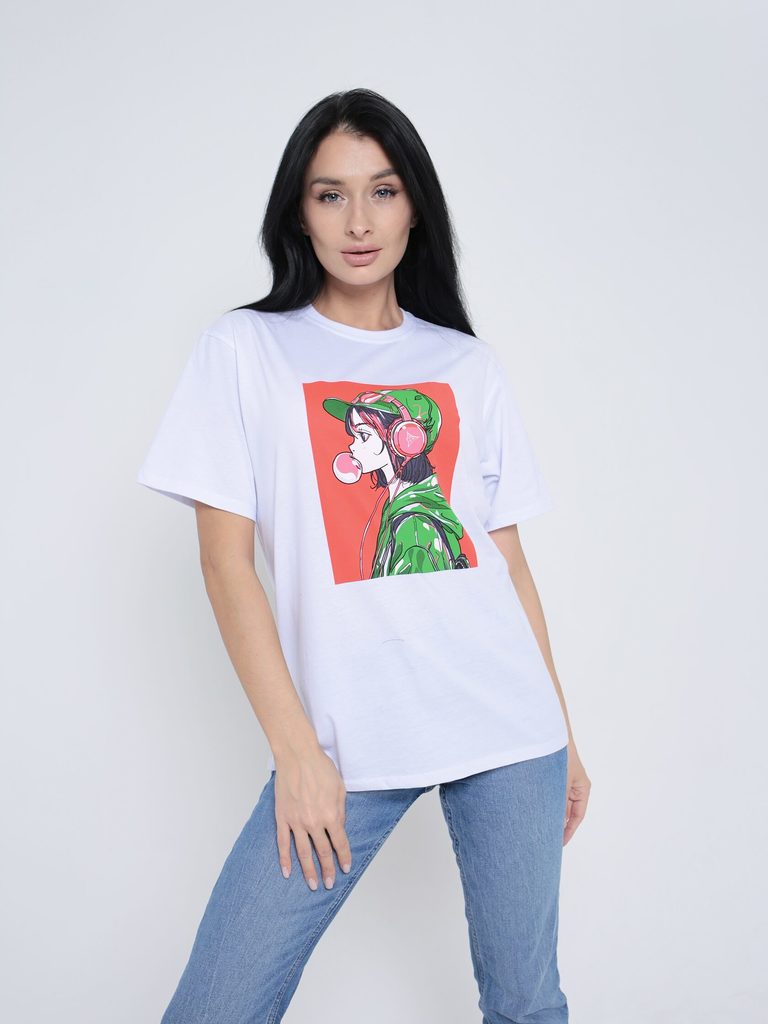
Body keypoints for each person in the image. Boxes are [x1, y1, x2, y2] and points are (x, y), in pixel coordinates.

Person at [137, 87, 591, 1024]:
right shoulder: (246, 349)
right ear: (298, 212)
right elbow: (226, 565)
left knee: (525, 1006)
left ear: (414, 206)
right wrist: (297, 754)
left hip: (510, 730)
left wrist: (565, 734)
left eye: (382, 191)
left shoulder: (465, 364)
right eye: (330, 193)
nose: (358, 221)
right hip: (345, 745)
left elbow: (507, 563)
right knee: (216, 1008)